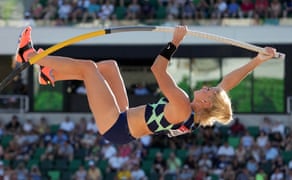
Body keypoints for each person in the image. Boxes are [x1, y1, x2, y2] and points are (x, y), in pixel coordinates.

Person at [15, 25, 277, 145]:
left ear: (207, 102)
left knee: (88, 69)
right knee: (109, 67)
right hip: (123, 119)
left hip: (115, 126)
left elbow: (157, 69)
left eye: (209, 91)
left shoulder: (182, 105)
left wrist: (174, 42)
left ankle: (30, 55)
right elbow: (227, 83)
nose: (208, 87)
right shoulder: (194, 113)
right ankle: (50, 75)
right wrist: (258, 60)